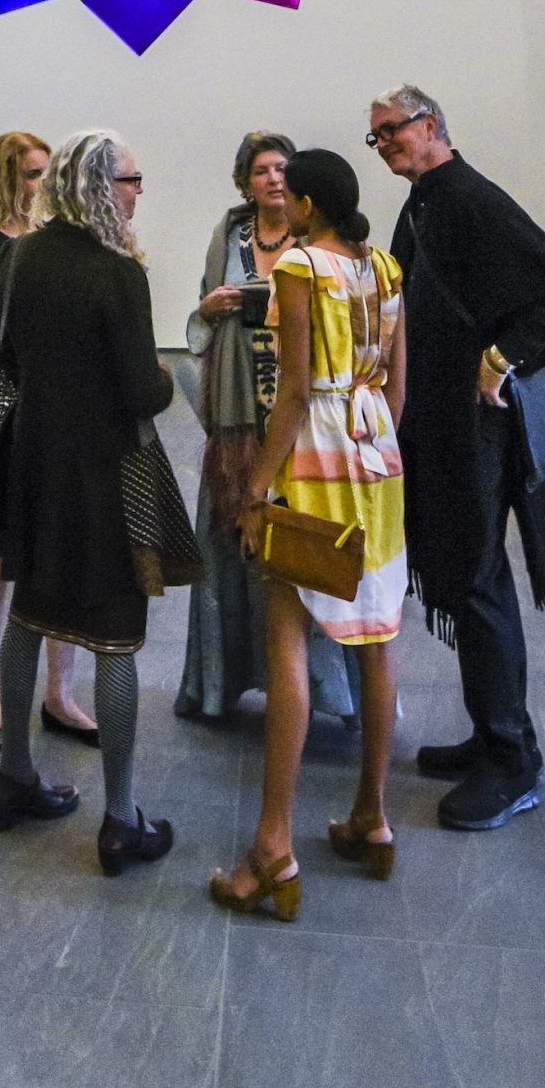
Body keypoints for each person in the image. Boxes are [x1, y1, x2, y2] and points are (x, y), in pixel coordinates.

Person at [370, 84, 545, 832]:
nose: (385, 145)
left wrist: (503, 357)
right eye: (376, 138)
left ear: (431, 124)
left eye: (392, 130)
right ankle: (492, 734)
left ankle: (512, 760)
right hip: (438, 424)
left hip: (475, 429)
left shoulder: (468, 198)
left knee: (478, 579)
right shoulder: (428, 199)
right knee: (467, 577)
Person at [211, 149, 408, 918]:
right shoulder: (386, 269)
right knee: (377, 637)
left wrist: (257, 485)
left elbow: (292, 390)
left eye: (290, 194)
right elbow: (398, 381)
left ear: (311, 202)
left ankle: (272, 847)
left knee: (287, 636)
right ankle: (372, 816)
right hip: (376, 447)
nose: (281, 203)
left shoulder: (298, 268)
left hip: (317, 449)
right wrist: (381, 447)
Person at [0, 129, 178, 876]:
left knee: (30, 615)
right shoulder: (117, 271)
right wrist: (163, 376)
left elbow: (6, 368)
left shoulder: (23, 255)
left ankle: (13, 778)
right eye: (131, 179)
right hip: (106, 474)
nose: (137, 193)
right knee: (115, 634)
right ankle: (121, 819)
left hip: (34, 465)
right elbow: (141, 390)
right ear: (103, 185)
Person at [177, 131, 359, 726]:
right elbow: (200, 315)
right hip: (236, 418)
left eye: (283, 168)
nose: (273, 179)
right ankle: (220, 685)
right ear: (245, 181)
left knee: (307, 552)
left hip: (304, 415)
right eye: (261, 170)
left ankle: (323, 692)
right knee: (232, 544)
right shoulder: (229, 235)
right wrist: (210, 310)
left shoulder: (322, 239)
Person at [0, 131, 95, 750]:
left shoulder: (50, 243)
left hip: (58, 411)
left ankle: (59, 692)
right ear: (7, 179)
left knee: (58, 552)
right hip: (2, 410)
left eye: (46, 172)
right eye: (32, 174)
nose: (41, 184)